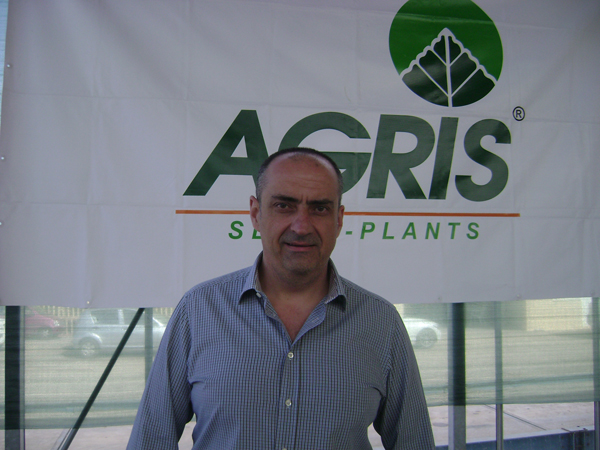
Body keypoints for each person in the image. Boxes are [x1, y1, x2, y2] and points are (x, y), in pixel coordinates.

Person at [127, 148, 435, 449]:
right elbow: (151, 440)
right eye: (284, 206)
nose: (301, 226)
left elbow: (414, 442)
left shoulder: (380, 323)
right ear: (255, 213)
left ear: (339, 219)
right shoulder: (199, 311)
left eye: (319, 208)